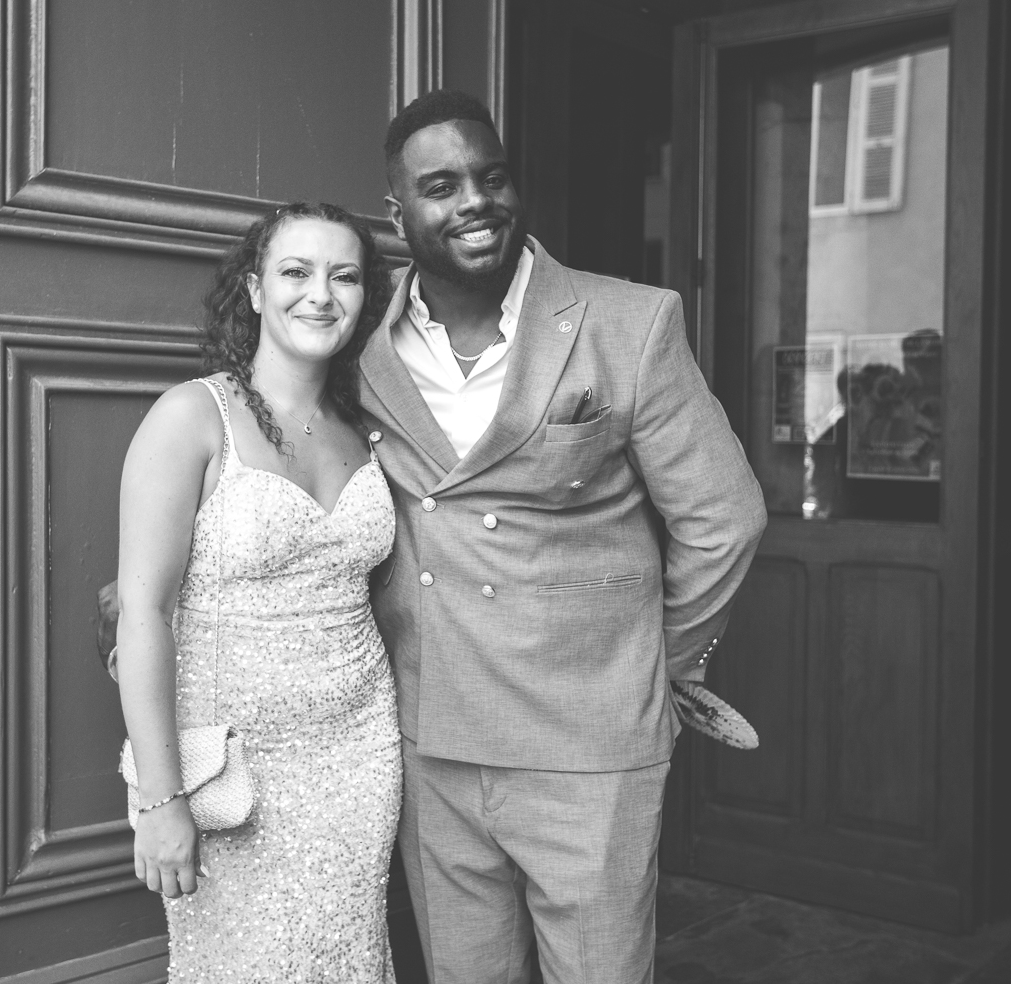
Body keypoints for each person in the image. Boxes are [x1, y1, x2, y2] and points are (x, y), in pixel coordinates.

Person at [358, 90, 768, 983]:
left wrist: (658, 664)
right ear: (398, 213)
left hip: (589, 739)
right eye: (441, 186)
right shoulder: (362, 342)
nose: (475, 200)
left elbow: (724, 516)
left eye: (492, 177)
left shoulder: (629, 322)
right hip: (435, 736)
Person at [112, 202, 401, 982]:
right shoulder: (191, 416)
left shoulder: (369, 426)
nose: (321, 294)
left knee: (348, 957)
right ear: (254, 288)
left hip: (361, 753)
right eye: (296, 271)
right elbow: (142, 612)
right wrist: (161, 798)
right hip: (233, 765)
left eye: (345, 276)